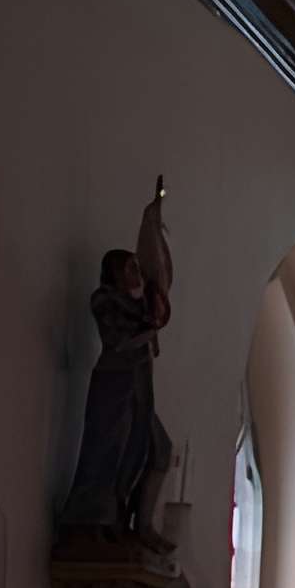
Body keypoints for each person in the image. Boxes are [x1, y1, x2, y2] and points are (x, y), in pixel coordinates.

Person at [60, 179, 175, 549]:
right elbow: (119, 341)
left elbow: (154, 299)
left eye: (137, 268)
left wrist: (154, 311)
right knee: (108, 452)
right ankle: (92, 521)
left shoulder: (141, 306)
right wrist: (150, 326)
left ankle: (139, 523)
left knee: (157, 449)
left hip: (139, 385)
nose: (137, 274)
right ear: (114, 273)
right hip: (114, 384)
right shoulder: (105, 300)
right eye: (130, 268)